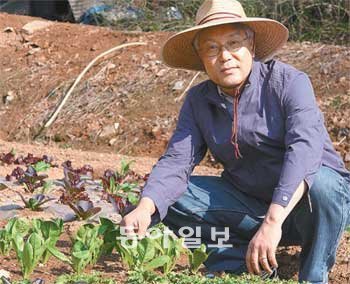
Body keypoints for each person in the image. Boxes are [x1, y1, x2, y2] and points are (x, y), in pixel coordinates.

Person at [121, 0, 350, 283]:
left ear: (251, 46)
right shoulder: (198, 101)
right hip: (249, 205)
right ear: (201, 58)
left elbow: (304, 151)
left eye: (233, 43)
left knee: (324, 184)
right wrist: (145, 207)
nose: (225, 56)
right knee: (167, 200)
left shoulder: (289, 83)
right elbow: (177, 161)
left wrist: (273, 221)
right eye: (212, 48)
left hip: (310, 209)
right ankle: (241, 264)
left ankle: (313, 275)